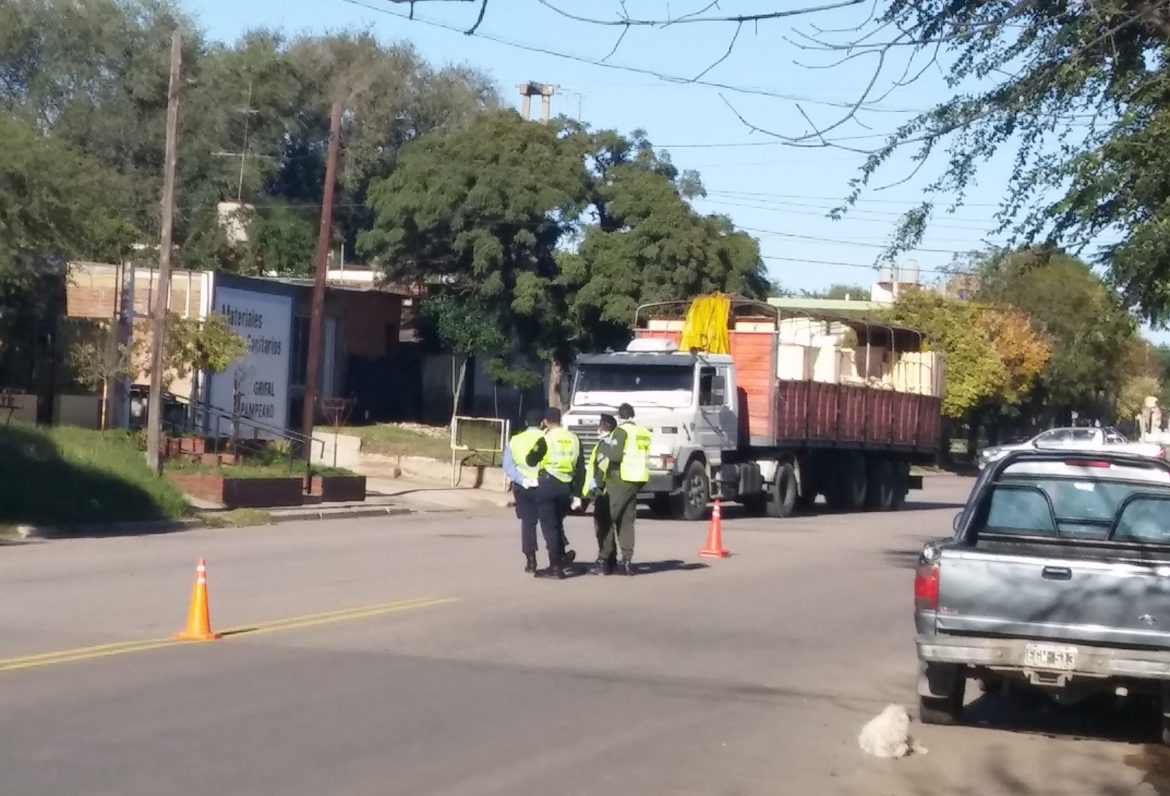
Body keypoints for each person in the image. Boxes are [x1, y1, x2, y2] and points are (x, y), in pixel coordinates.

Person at [503, 409, 576, 573]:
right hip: (545, 484)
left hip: (523, 487)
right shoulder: (547, 438)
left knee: (528, 523)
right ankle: (559, 554)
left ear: (527, 423)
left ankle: (531, 561)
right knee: (552, 522)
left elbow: (508, 466)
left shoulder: (515, 440)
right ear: (542, 422)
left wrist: (522, 479)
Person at [594, 403, 651, 576]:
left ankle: (604, 560)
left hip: (620, 478)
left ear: (620, 416)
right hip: (637, 479)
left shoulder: (621, 432)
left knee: (605, 519)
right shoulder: (643, 432)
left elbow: (616, 455)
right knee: (626, 521)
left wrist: (606, 449)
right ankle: (627, 561)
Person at [525, 407, 582, 579]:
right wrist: (577, 493)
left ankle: (555, 566)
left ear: (545, 422)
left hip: (549, 485)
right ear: (560, 420)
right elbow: (580, 469)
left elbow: (530, 459)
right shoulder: (574, 438)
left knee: (549, 527)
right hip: (566, 487)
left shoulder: (546, 438)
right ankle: (560, 558)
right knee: (557, 524)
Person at [582, 414, 618, 575]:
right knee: (607, 525)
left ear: (605, 428)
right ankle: (611, 559)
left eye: (600, 426)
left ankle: (603, 561)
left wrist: (596, 488)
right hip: (611, 489)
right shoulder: (614, 443)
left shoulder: (605, 445)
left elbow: (602, 468)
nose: (598, 429)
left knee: (603, 528)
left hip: (603, 492)